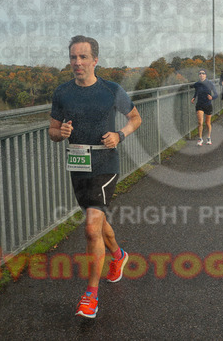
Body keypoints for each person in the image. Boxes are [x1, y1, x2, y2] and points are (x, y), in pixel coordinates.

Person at [48, 35, 142, 319]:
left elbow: (136, 118)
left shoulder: (111, 90)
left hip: (105, 163)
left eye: (83, 57)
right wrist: (60, 133)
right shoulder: (62, 93)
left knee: (91, 227)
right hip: (78, 164)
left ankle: (90, 295)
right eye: (73, 57)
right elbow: (52, 131)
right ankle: (119, 255)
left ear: (95, 60)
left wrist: (120, 135)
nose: (77, 62)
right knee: (97, 223)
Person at [191, 69, 218, 145]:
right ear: (199, 75)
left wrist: (212, 97)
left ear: (205, 75)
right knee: (200, 122)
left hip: (208, 104)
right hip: (199, 105)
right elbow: (196, 91)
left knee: (207, 123)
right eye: (200, 73)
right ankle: (200, 139)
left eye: (203, 73)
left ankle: (208, 137)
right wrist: (194, 97)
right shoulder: (197, 84)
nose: (201, 75)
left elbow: (216, 94)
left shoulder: (210, 83)